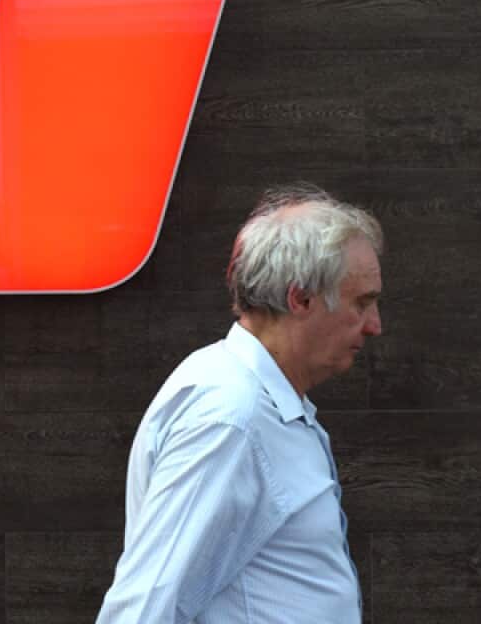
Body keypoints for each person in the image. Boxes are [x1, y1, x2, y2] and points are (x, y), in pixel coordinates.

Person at [95, 184, 383, 623]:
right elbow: (146, 608)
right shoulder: (230, 418)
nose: (374, 326)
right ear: (300, 298)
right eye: (361, 303)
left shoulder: (256, 403)